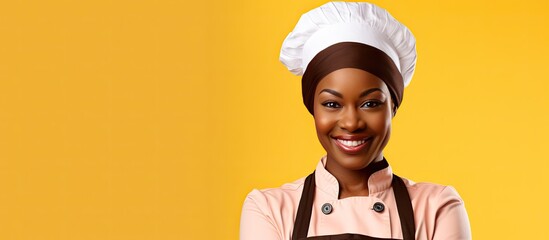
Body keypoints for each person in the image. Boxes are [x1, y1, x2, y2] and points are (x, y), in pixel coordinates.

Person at [240, 2, 472, 240]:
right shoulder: (269, 209)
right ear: (313, 108)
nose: (351, 123)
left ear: (393, 107)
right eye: (332, 104)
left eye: (370, 103)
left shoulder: (437, 208)